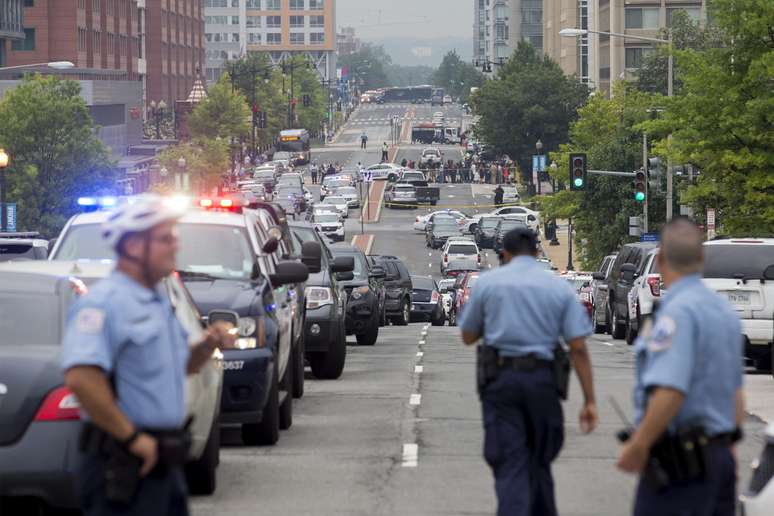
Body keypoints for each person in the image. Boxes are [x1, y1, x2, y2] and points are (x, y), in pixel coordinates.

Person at [61, 195, 236, 516]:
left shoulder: (157, 300)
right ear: (132, 247)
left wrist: (209, 341)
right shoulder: (103, 303)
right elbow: (81, 378)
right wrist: (132, 439)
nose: (175, 246)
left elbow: (185, 364)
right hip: (123, 464)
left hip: (162, 462)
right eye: (165, 239)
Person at [459, 228, 598, 516]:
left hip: (501, 381)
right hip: (544, 382)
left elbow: (468, 336)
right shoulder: (558, 287)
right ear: (537, 253)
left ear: (504, 255)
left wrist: (498, 319)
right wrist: (590, 401)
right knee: (539, 461)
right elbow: (578, 347)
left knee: (511, 463)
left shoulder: (487, 284)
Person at [617, 217, 744, 516]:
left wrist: (640, 444)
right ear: (701, 258)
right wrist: (726, 446)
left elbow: (671, 390)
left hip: (680, 464)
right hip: (720, 456)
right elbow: (736, 395)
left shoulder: (675, 314)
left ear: (659, 260)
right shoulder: (725, 313)